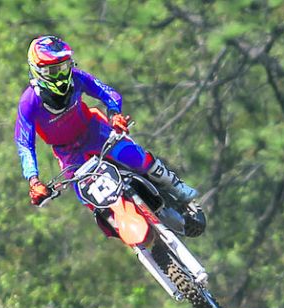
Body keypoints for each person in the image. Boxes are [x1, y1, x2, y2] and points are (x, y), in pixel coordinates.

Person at [14, 35, 198, 219]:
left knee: (134, 157)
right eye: (53, 71)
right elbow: (24, 144)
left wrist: (114, 114)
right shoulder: (28, 102)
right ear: (38, 71)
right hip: (68, 153)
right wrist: (34, 180)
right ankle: (131, 238)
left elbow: (108, 93)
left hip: (95, 131)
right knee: (91, 200)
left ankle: (178, 188)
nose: (61, 75)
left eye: (64, 67)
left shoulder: (77, 78)